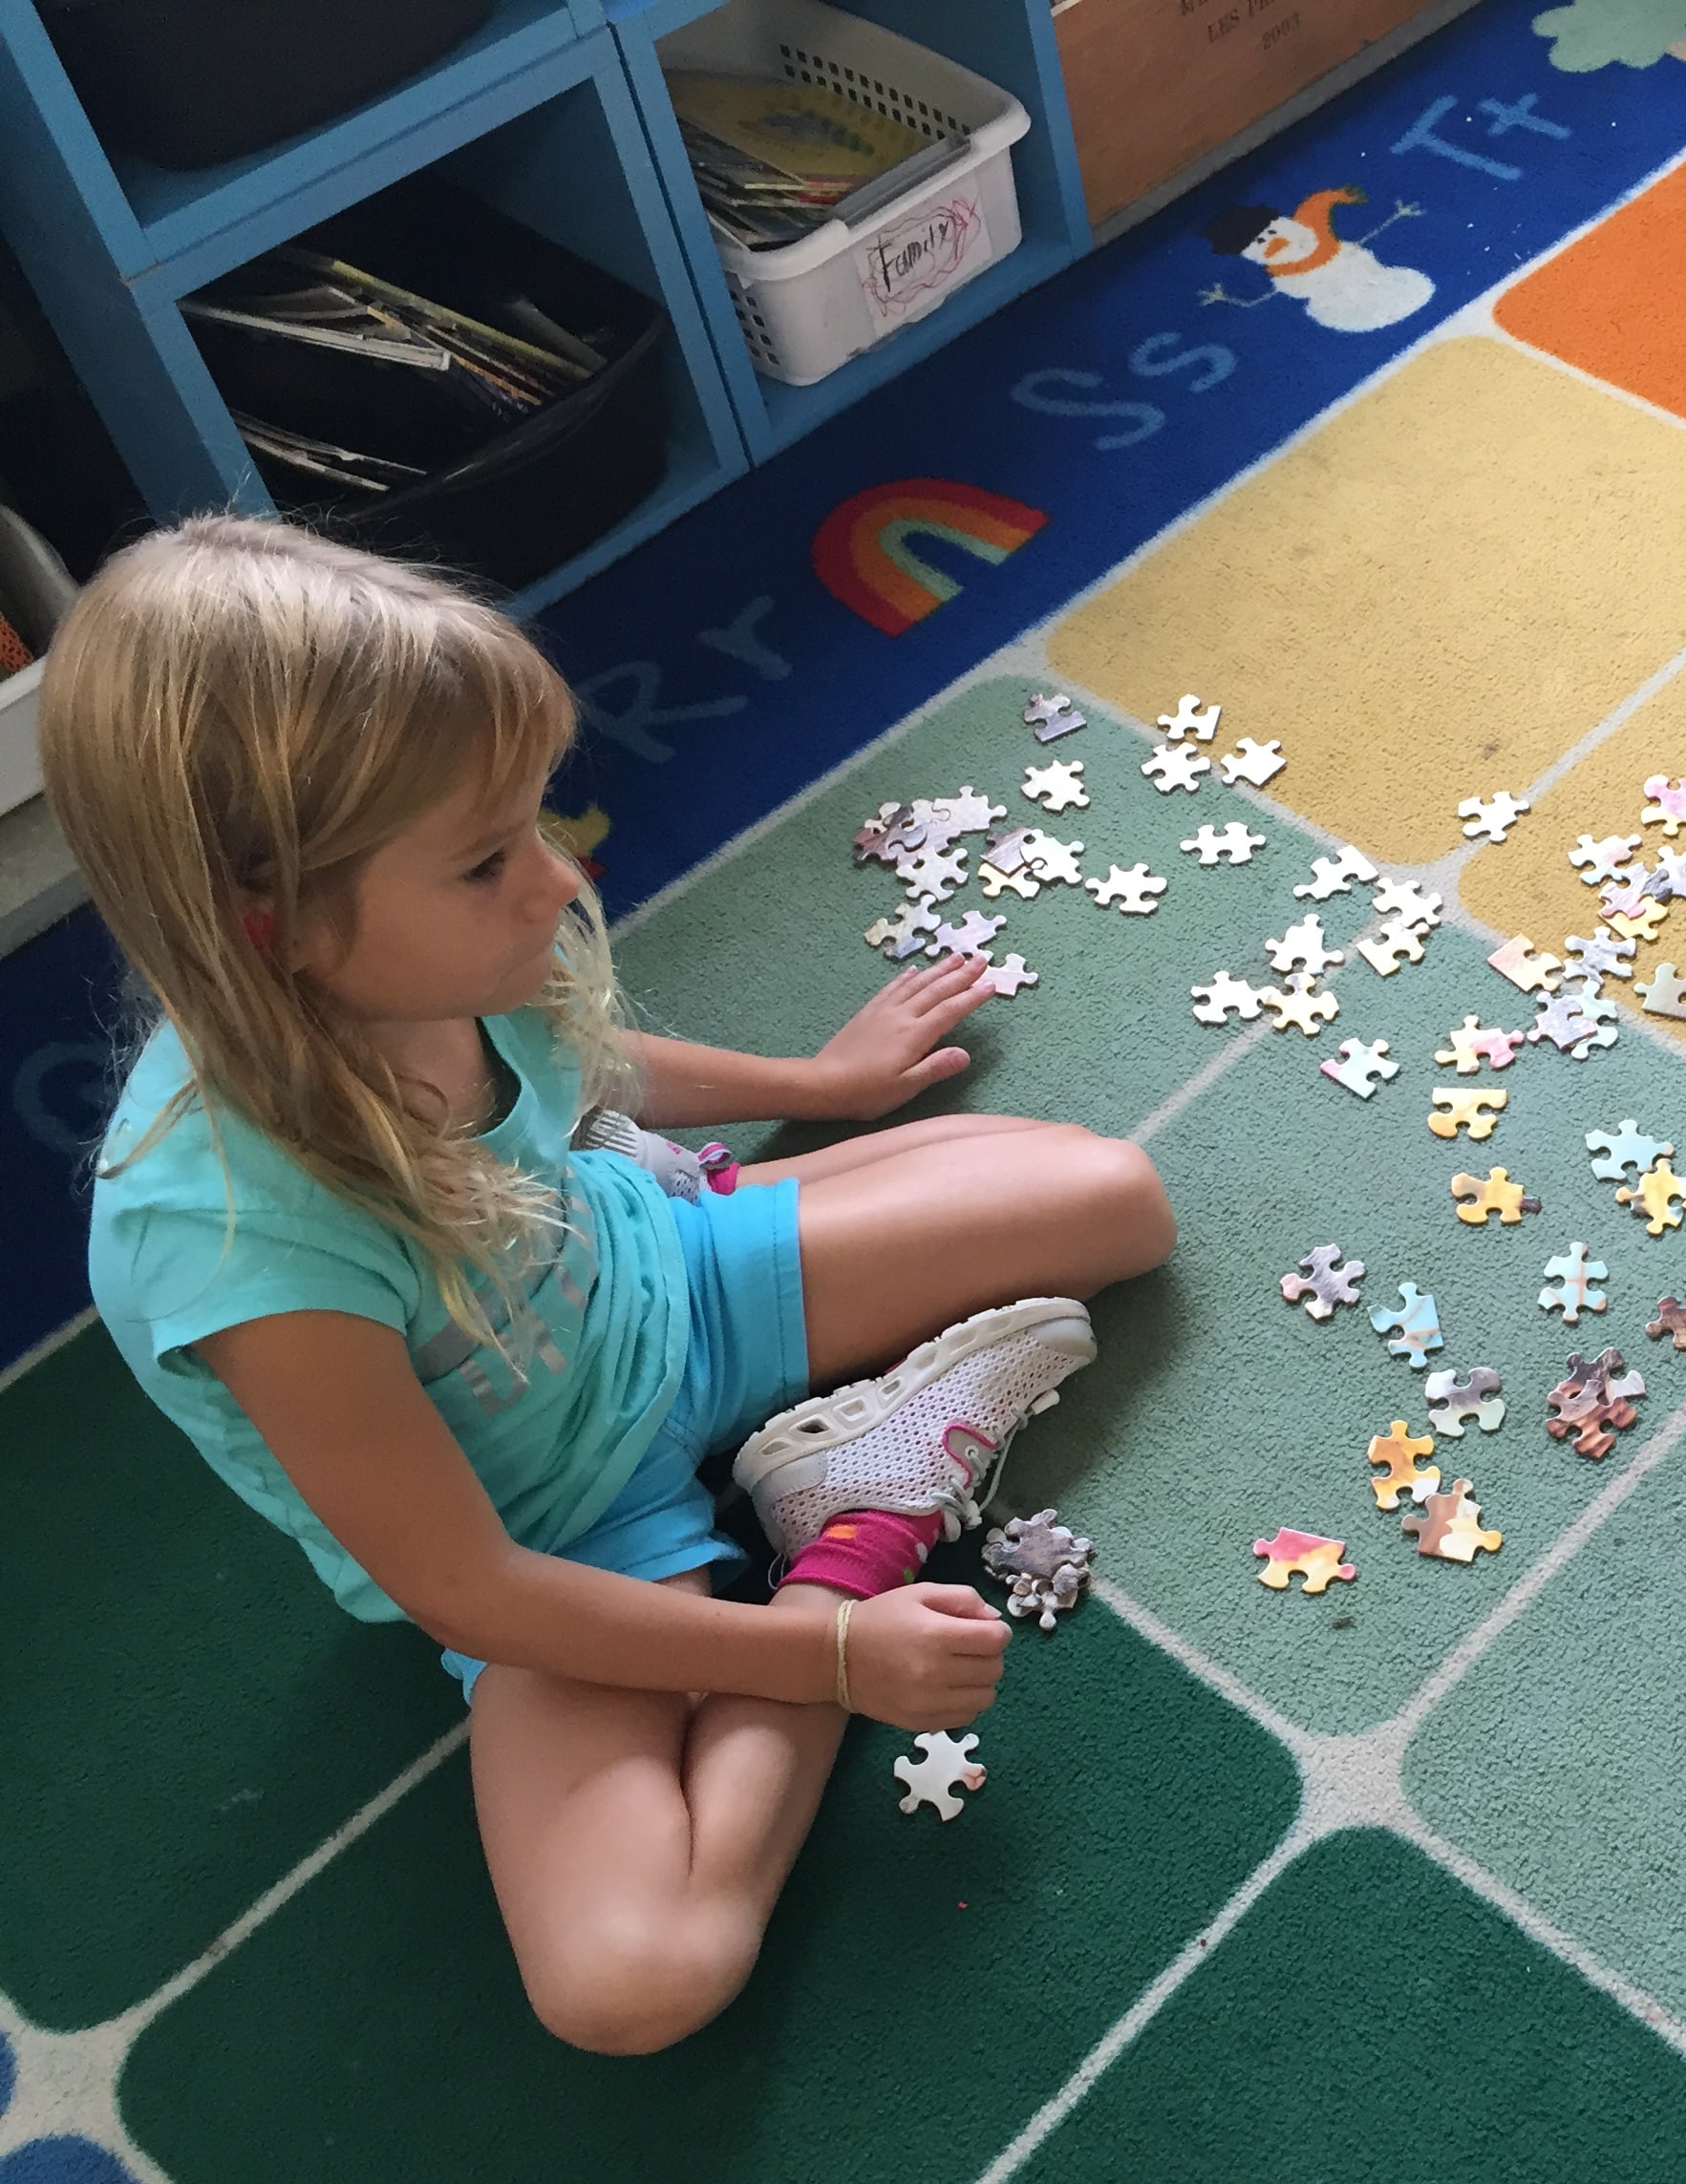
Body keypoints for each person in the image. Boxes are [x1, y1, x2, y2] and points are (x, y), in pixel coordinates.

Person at [51, 518, 1175, 2055]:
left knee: (1113, 1198)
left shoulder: (429, 965)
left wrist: (822, 1086)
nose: (556, 878)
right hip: (556, 1538)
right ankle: (853, 1517)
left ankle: (750, 1310)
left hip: (664, 1276)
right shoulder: (235, 1246)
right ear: (276, 928)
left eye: (531, 823)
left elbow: (575, 1061)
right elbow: (471, 1589)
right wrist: (831, 1649)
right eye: (485, 860)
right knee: (635, 1982)